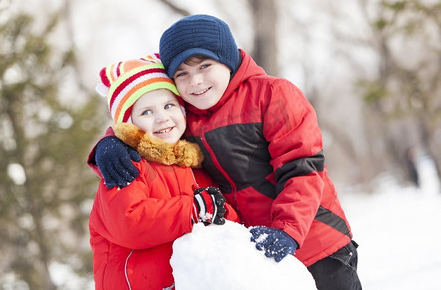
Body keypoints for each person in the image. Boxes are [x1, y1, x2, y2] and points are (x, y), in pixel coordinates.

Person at [92, 15, 362, 290]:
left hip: (315, 242)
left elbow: (302, 167)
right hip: (257, 257)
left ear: (227, 60)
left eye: (204, 66)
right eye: (182, 73)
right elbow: (147, 125)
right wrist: (110, 142)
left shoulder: (271, 94)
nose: (195, 81)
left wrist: (288, 231)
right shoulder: (188, 116)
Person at [88, 54, 239, 290]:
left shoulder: (194, 165)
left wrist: (224, 214)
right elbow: (129, 223)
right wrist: (194, 209)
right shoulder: (126, 164)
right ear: (129, 124)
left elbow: (219, 214)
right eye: (146, 112)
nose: (162, 117)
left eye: (169, 105)